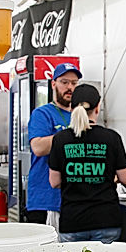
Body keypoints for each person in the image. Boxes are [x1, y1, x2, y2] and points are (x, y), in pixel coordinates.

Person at [48, 84, 126, 243]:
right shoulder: (111, 138)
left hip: (72, 221)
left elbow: (54, 181)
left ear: (72, 108)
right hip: (106, 220)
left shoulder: (60, 139)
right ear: (97, 107)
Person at [26, 62, 81, 228]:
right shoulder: (42, 114)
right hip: (45, 200)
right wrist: (71, 133)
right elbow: (38, 147)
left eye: (74, 83)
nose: (70, 87)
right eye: (64, 82)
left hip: (74, 200)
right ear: (53, 84)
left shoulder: (81, 115)